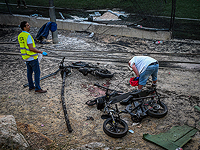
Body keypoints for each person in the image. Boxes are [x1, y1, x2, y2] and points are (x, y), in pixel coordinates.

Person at [18, 21, 48, 93]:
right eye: (28, 25)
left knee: (29, 73)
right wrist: (41, 52)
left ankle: (31, 86)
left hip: (26, 57)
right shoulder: (28, 36)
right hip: (32, 57)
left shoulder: (20, 36)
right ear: (24, 27)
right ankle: (37, 88)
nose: (29, 26)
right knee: (37, 73)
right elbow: (31, 48)